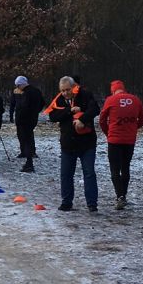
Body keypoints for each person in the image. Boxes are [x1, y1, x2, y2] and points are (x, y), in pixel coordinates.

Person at [47, 76, 101, 212]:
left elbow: (95, 109)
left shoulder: (85, 95)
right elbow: (52, 117)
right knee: (66, 174)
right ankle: (66, 201)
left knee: (89, 173)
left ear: (74, 87)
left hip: (87, 143)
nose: (65, 93)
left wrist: (82, 119)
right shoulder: (58, 100)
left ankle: (92, 203)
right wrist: (69, 111)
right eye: (63, 90)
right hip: (67, 143)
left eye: (67, 90)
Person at [99, 79, 143, 210]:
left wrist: (108, 132)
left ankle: (119, 196)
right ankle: (124, 195)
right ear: (123, 89)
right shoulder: (135, 100)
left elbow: (102, 119)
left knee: (115, 169)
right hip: (129, 140)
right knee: (125, 167)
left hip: (114, 140)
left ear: (113, 90)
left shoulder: (110, 100)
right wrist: (133, 128)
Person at [10, 75, 43, 172]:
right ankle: (28, 158)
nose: (17, 87)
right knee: (28, 137)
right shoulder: (36, 91)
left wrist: (19, 118)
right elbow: (42, 102)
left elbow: (24, 107)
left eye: (18, 85)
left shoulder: (26, 93)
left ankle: (29, 163)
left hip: (24, 120)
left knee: (26, 139)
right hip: (33, 119)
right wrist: (36, 111)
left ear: (21, 84)